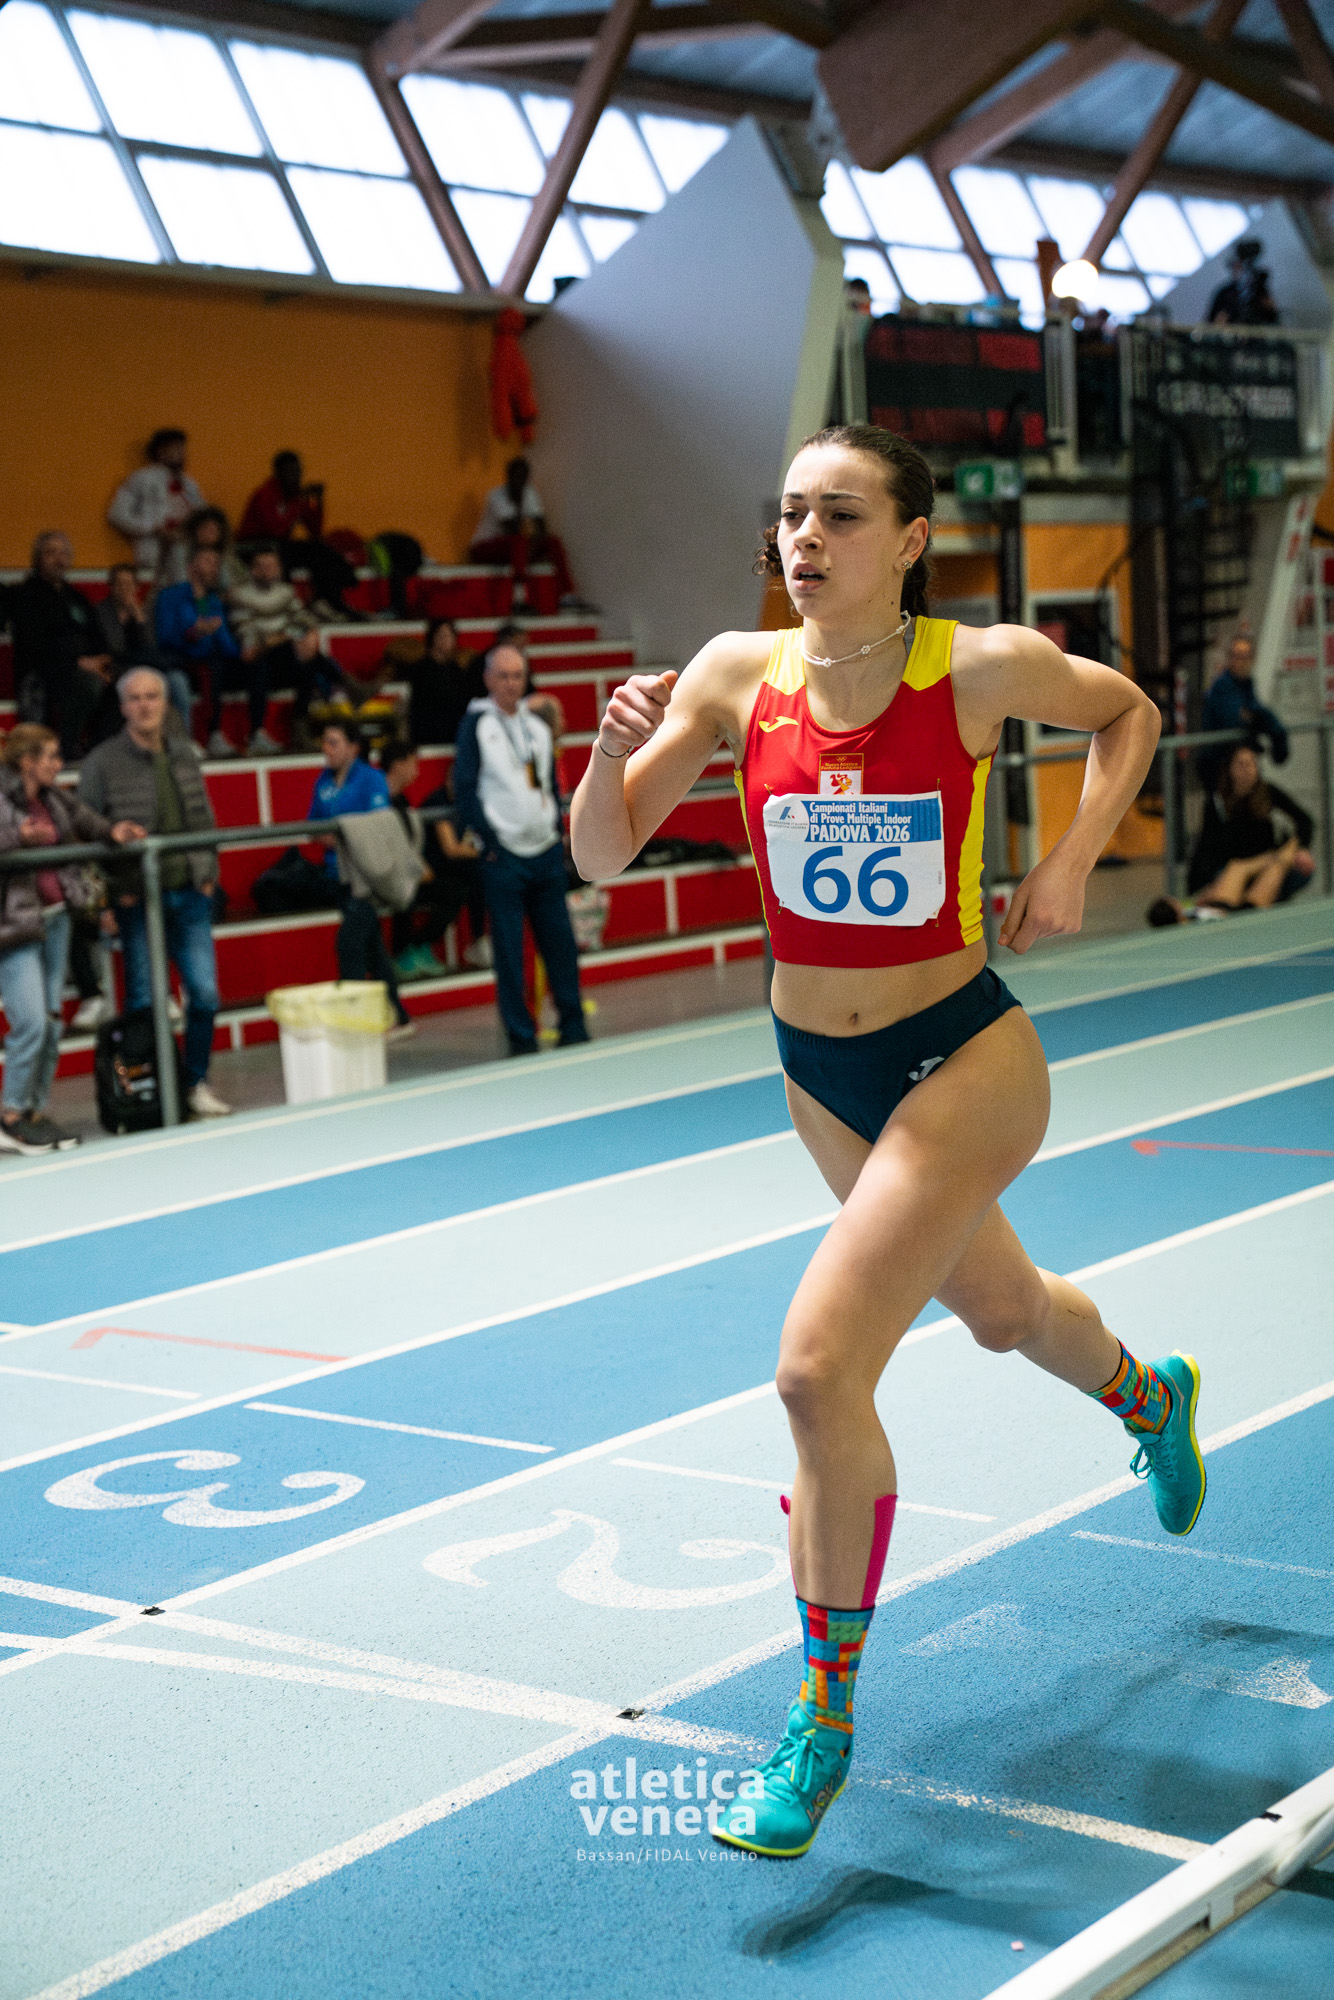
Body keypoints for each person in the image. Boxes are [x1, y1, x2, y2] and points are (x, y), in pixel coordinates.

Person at [571, 422, 1201, 1860]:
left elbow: (1127, 715)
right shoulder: (734, 673)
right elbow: (600, 853)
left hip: (965, 1055)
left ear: (909, 540)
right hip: (819, 1070)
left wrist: (1068, 857)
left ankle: (819, 1724)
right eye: (791, 512)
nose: (803, 538)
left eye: (839, 515)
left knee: (814, 1369)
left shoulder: (974, 668)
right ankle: (1147, 1398)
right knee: (1003, 1311)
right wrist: (605, 758)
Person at [79, 669, 232, 1117]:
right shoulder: (102, 761)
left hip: (191, 894)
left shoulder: (185, 753)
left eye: (152, 697)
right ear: (123, 706)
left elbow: (204, 816)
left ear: (165, 703)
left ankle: (194, 1083)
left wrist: (208, 870)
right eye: (136, 698)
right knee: (144, 1004)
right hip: (137, 900)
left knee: (205, 995)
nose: (145, 705)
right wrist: (108, 894)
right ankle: (154, 1093)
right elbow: (83, 828)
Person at [0, 724, 142, 1153]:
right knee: (30, 1021)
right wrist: (18, 838)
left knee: (52, 1022)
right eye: (50, 757)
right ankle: (10, 1114)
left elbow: (86, 819)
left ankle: (34, 1111)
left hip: (57, 919)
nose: (58, 765)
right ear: (27, 761)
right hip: (14, 927)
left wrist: (113, 832)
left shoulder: (54, 798)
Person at [455, 644, 588, 1055]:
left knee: (561, 944)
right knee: (510, 953)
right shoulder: (476, 725)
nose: (511, 683)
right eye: (503, 675)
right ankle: (521, 1035)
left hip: (544, 850)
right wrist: (490, 843)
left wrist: (556, 831)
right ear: (487, 678)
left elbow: (549, 785)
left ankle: (573, 1024)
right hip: (504, 856)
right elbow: (464, 788)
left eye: (518, 675)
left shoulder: (538, 728)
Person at [306, 719, 412, 1034]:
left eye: (333, 742)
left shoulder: (372, 779)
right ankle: (398, 1015)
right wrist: (340, 835)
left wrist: (343, 835)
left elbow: (377, 827)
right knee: (373, 949)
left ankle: (354, 1023)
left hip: (366, 878)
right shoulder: (323, 781)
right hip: (336, 875)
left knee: (349, 944)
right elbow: (314, 826)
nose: (326, 749)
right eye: (325, 742)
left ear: (353, 747)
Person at [1148, 740, 1316, 923]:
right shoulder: (1218, 802)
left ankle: (1230, 912)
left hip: (1267, 859)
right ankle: (1225, 915)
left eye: (1251, 764)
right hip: (1235, 866)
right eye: (1241, 764)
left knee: (1276, 863)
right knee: (1239, 869)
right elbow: (1205, 848)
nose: (1247, 770)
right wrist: (1201, 887)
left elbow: (1305, 820)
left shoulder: (1268, 793)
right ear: (1230, 769)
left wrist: (1302, 848)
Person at [380, 740, 485, 979]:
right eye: (414, 763)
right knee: (451, 888)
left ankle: (424, 946)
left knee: (473, 878)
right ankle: (406, 951)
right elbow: (450, 849)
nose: (417, 770)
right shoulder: (383, 800)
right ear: (398, 765)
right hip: (395, 873)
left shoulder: (403, 801)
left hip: (415, 869)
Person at [155, 546, 270, 759]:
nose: (214, 567)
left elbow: (224, 640)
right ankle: (214, 734)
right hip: (182, 660)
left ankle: (257, 733)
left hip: (212, 659)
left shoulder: (213, 600)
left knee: (256, 665)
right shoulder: (170, 596)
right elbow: (165, 638)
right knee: (212, 665)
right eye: (208, 561)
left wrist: (243, 654)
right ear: (191, 567)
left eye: (216, 563)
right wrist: (193, 633)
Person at [8, 532, 111, 759]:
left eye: (63, 554)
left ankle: (99, 751)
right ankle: (66, 747)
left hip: (81, 668)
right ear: (38, 558)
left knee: (126, 682)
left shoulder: (76, 597)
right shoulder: (25, 595)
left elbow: (98, 636)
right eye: (51, 553)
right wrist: (78, 661)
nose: (59, 559)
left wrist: (102, 660)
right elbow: (34, 645)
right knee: (88, 683)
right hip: (44, 671)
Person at [237, 451, 356, 620]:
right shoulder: (265, 494)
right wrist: (298, 504)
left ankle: (328, 601)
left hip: (280, 545)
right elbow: (274, 530)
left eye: (298, 471)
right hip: (253, 547)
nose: (296, 477)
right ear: (278, 473)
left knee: (318, 549)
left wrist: (318, 502)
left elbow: (315, 531)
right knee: (281, 553)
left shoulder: (296, 496)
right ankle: (288, 608)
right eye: (291, 472)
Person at [228, 544, 326, 747]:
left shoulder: (286, 592)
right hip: (252, 657)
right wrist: (284, 636)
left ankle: (300, 727)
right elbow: (245, 632)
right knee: (261, 661)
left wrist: (295, 635)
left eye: (271, 566)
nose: (267, 571)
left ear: (279, 569)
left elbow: (305, 621)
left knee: (307, 655)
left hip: (282, 654)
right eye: (261, 566)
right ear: (252, 570)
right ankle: (257, 733)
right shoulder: (239, 595)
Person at [469, 457, 582, 610]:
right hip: (484, 548)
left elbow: (541, 526)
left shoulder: (529, 493)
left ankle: (566, 595)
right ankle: (519, 599)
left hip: (513, 547)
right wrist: (520, 506)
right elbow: (511, 528)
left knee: (552, 542)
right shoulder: (497, 496)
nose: (519, 481)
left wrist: (535, 542)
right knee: (518, 541)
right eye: (515, 477)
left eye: (522, 477)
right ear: (508, 477)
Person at [107, 428, 206, 580]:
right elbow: (116, 514)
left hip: (186, 556)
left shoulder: (189, 485)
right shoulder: (142, 479)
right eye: (176, 448)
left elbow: (204, 517)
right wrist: (153, 527)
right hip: (153, 555)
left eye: (183, 449)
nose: (182, 454)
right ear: (161, 451)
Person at [1200, 625, 1288, 775]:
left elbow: (1251, 714)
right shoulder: (1222, 685)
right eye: (1235, 656)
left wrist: (1257, 717)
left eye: (1244, 656)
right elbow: (1235, 720)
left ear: (1252, 658)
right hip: (1220, 765)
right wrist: (1257, 719)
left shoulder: (1247, 684)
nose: (1240, 662)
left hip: (1235, 762)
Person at [397, 618, 485, 746]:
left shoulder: (456, 670)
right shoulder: (420, 670)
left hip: (454, 735)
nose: (446, 640)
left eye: (449, 636)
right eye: (442, 635)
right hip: (428, 737)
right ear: (432, 638)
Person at [1207, 239, 1278, 326]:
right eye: (1237, 266)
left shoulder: (1258, 290)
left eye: (1243, 267)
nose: (1241, 271)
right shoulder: (1224, 294)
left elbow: (1273, 317)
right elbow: (1210, 324)